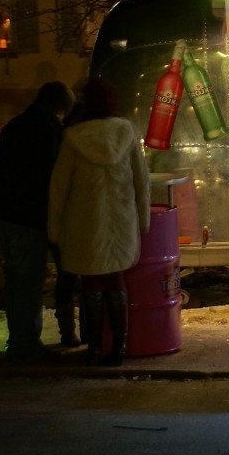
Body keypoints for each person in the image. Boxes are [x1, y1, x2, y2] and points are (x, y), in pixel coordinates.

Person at [48, 78, 150, 365]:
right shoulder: (126, 132)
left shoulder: (73, 137)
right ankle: (119, 345)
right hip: (121, 221)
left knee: (91, 283)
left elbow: (59, 188)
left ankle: (93, 347)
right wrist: (142, 221)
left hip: (85, 222)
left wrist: (54, 228)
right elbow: (141, 182)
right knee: (116, 281)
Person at [0, 81, 75, 361]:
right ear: (60, 107)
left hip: (3, 212)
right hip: (28, 216)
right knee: (28, 281)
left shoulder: (15, 124)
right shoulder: (49, 130)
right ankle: (26, 345)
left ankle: (18, 338)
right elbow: (52, 176)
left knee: (15, 279)